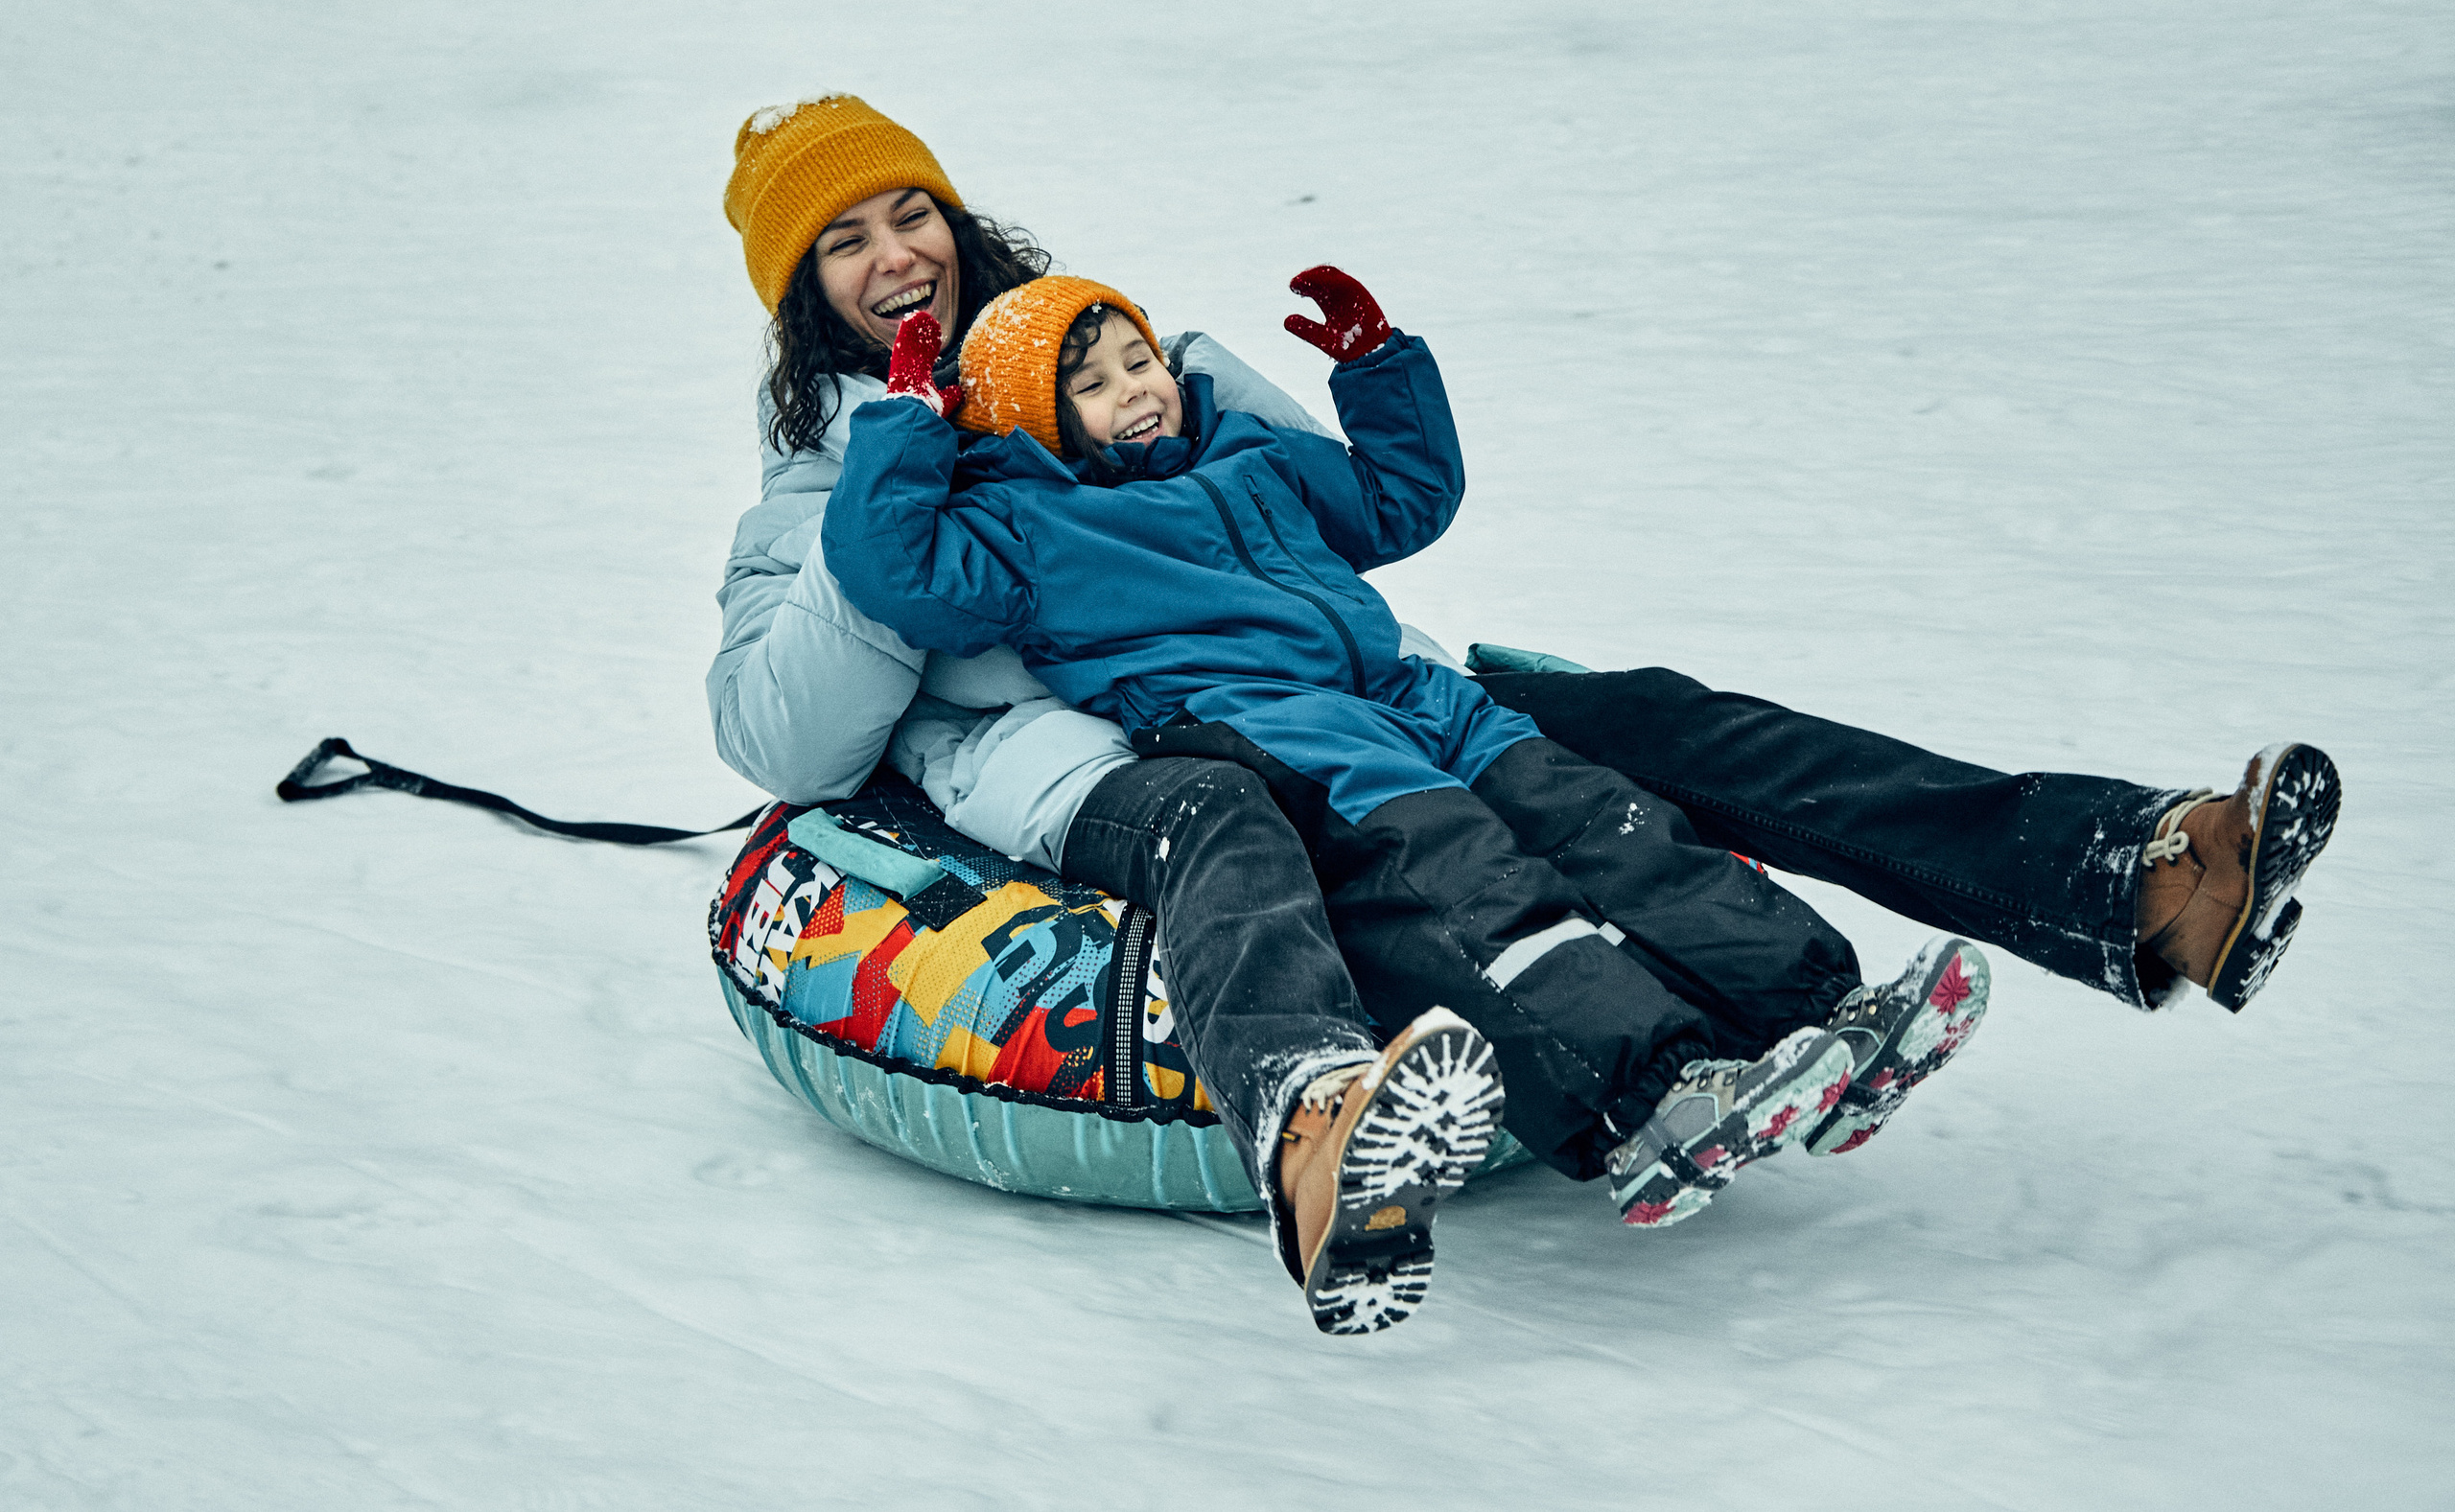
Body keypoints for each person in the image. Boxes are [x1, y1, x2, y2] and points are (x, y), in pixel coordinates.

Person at [709, 92, 2342, 1329]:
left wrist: (1289, 384)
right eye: (841, 242)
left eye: (907, 213)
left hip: (1379, 679)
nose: (891, 254)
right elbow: (787, 737)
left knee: (1662, 722)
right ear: (800, 298)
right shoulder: (829, 492)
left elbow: (1343, 508)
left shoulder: (1125, 349)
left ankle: (2134, 875)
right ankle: (1561, 1086)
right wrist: (902, 449)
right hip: (1163, 755)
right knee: (1400, 860)